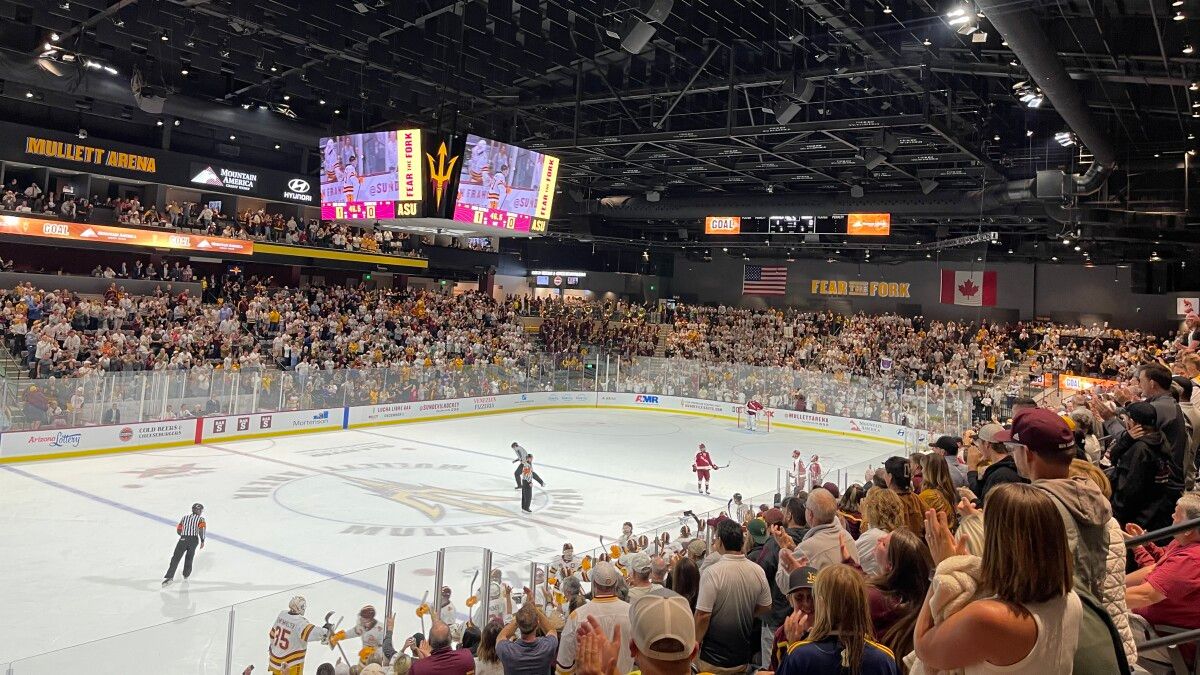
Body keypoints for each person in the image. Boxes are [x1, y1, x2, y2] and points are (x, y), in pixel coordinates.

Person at [996, 407, 1137, 663]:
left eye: (1013, 448)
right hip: (1109, 641)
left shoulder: (1031, 513)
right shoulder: (1102, 509)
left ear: (1027, 453)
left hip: (1061, 648)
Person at [915, 483, 1081, 674]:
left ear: (1000, 545)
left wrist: (944, 567)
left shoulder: (988, 618)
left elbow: (923, 647)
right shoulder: (1071, 600)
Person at [777, 564, 899, 675]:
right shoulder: (885, 659)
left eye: (812, 597)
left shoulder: (799, 656)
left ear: (822, 603)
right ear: (862, 604)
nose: (808, 604)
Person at [1125, 491, 1200, 668]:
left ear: (1189, 529)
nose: (1172, 516)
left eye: (1177, 514)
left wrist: (1097, 599)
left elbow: (1147, 595)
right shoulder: (1182, 544)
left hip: (1170, 640)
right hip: (1156, 626)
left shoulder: (1191, 560)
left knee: (1102, 624)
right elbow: (1159, 566)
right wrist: (1142, 545)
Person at [694, 519, 772, 673]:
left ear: (721, 542)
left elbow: (703, 615)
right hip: (741, 657)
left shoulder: (712, 572)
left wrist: (694, 644)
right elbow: (766, 606)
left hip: (712, 659)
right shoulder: (757, 570)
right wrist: (745, 611)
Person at [866, 528, 932, 662]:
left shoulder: (875, 599)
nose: (878, 540)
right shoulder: (916, 598)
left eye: (883, 544)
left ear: (890, 565)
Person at [556, 561, 632, 674]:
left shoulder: (577, 616)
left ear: (593, 584)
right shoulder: (632, 612)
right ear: (616, 583)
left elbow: (564, 667)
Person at [1109, 401, 1176, 530]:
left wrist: (1115, 516)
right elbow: (1114, 456)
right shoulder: (1160, 437)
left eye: (1126, 419)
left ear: (1134, 423)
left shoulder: (1140, 449)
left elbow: (1129, 489)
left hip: (1135, 518)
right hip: (1152, 512)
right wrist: (1127, 439)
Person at [767, 567, 817, 670]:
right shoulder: (781, 634)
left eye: (812, 596)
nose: (807, 604)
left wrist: (794, 646)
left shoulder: (829, 632)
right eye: (799, 597)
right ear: (790, 600)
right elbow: (775, 668)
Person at [268, 596, 333, 675]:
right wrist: (325, 630)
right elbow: (312, 633)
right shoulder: (299, 622)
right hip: (290, 664)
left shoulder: (282, 614)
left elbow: (272, 635)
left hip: (274, 662)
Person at [966, 422, 1026, 506]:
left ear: (987, 444)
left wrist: (972, 468)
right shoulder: (1007, 466)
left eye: (979, 442)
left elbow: (988, 510)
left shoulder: (1001, 474)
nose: (978, 447)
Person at [496, 600, 559, 675]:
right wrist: (535, 609)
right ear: (537, 623)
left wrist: (519, 619)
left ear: (518, 625)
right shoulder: (547, 647)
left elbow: (501, 636)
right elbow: (551, 630)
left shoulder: (507, 651)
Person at [856, 487, 905, 577]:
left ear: (873, 510)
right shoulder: (897, 535)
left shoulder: (874, 536)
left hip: (869, 586)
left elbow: (850, 556)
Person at [408, 620, 474, 675]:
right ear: (451, 639)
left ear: (430, 642)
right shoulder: (466, 657)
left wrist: (423, 662)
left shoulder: (417, 669)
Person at [162, 502, 205, 586]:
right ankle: (186, 574)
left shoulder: (184, 518)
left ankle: (169, 577)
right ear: (199, 511)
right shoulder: (201, 519)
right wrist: (202, 540)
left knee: (175, 558)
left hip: (183, 539)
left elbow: (179, 529)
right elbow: (201, 530)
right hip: (193, 540)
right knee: (189, 557)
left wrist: (184, 535)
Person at [882, 456, 925, 536]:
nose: (884, 476)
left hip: (897, 546)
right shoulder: (917, 499)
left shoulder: (886, 502)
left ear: (890, 477)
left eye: (885, 473)